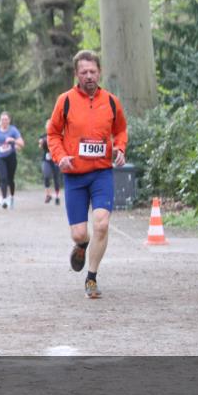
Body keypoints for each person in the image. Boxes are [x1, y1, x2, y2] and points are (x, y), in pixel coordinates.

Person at [46, 50, 128, 299]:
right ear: (76, 74)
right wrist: (61, 158)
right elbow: (53, 134)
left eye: (93, 71)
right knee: (80, 233)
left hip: (102, 173)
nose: (89, 76)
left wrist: (121, 149)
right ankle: (81, 245)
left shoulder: (111, 101)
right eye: (84, 72)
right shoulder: (65, 101)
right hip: (75, 176)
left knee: (102, 224)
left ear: (99, 72)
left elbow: (121, 130)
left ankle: (91, 278)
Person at [0, 111, 24, 209]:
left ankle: (11, 197)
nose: (4, 121)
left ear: (9, 120)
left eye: (6, 119)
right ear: (0, 120)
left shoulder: (13, 130)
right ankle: (4, 199)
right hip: (0, 157)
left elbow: (22, 143)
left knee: (10, 179)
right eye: (2, 119)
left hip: (11, 157)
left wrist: (13, 140)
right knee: (3, 178)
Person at [38, 121, 62, 205]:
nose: (49, 128)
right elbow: (40, 146)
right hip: (46, 159)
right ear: (46, 127)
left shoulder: (58, 135)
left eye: (50, 126)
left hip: (55, 159)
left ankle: (57, 196)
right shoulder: (43, 136)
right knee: (46, 175)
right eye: (48, 126)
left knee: (56, 177)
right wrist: (42, 142)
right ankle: (48, 195)